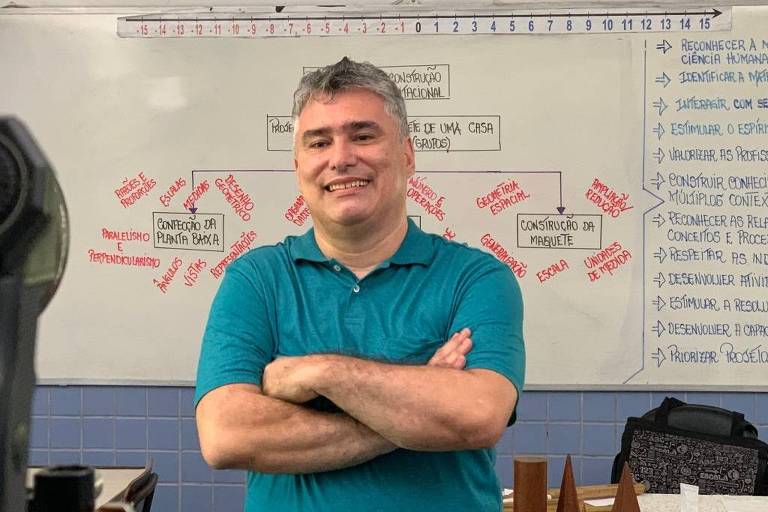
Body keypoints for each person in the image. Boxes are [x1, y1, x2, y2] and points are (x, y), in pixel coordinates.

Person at [195, 57, 525, 512]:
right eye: (319, 142)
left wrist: (318, 374)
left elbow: (476, 417)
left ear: (407, 154)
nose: (341, 157)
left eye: (363, 135)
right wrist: (416, 404)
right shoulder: (256, 280)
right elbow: (227, 436)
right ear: (298, 167)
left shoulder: (476, 278)